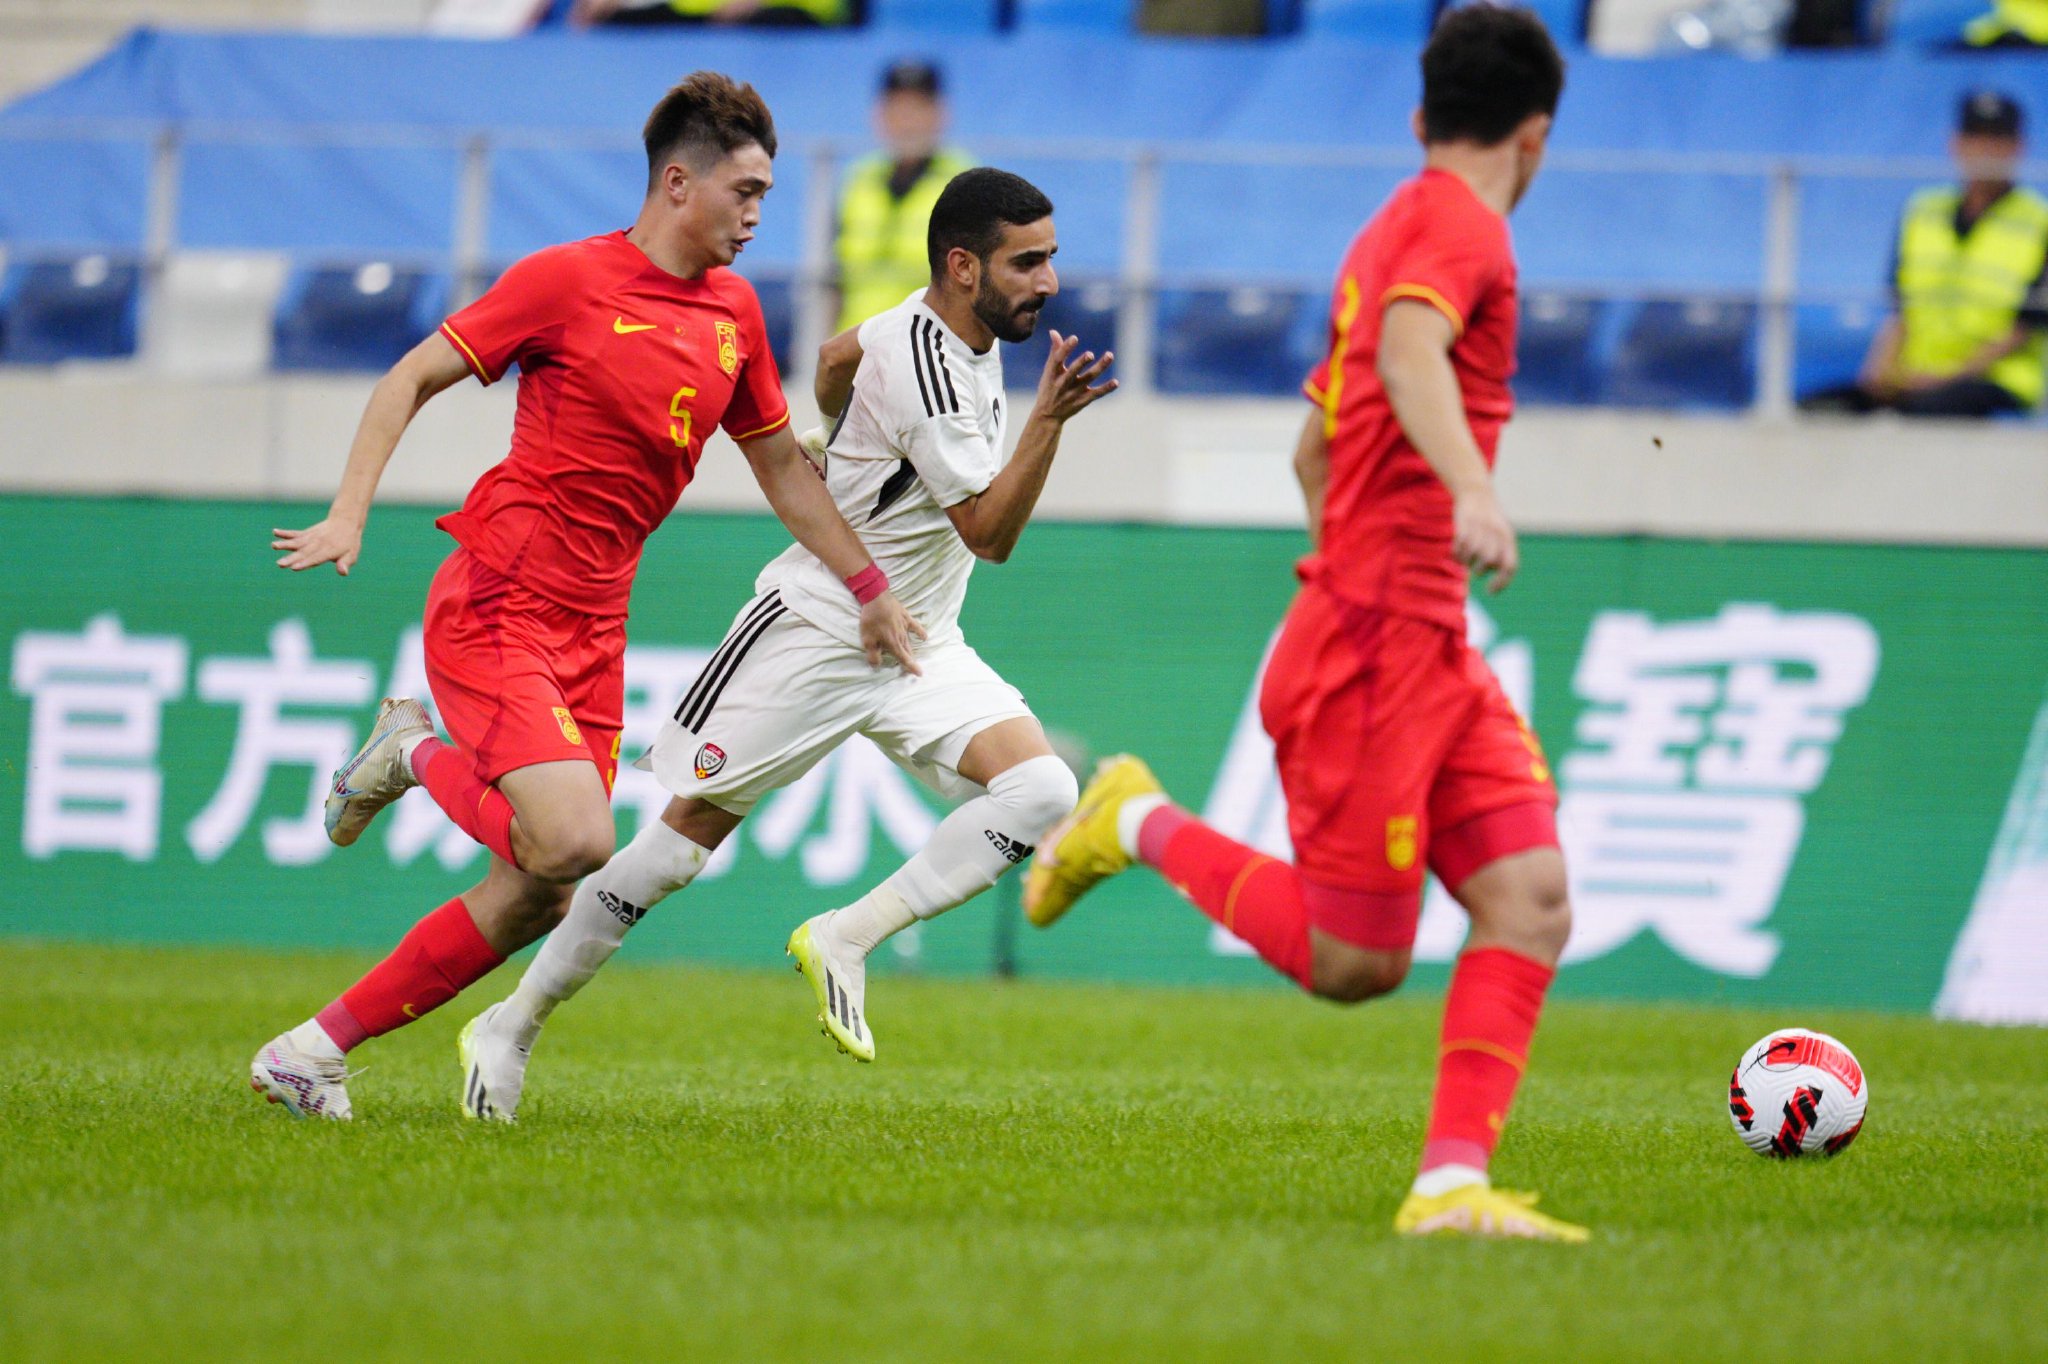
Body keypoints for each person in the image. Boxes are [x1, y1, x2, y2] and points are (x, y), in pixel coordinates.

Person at [249, 71, 920, 1122]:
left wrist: (870, 585)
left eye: (766, 197)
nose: (755, 217)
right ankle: (415, 751)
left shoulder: (736, 312)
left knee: (539, 888)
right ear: (675, 180)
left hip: (595, 624)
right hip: (501, 594)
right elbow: (408, 378)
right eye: (742, 192)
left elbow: (784, 467)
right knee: (574, 842)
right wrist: (348, 511)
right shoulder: (564, 281)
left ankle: (309, 1051)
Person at [1024, 7, 1588, 1242]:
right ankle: (1134, 816)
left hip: (1408, 629)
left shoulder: (1387, 225)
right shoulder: (1460, 227)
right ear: (1535, 135)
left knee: (1531, 897)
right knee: (1353, 961)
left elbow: (1314, 442)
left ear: (1417, 116)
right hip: (1379, 640)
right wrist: (1471, 494)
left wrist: (1358, 559)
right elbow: (1404, 353)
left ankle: (1449, 1186)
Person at [457, 169, 1116, 1120]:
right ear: (964, 266)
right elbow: (989, 534)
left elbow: (840, 357)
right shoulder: (931, 367)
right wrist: (1047, 422)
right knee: (679, 847)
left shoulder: (924, 328)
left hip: (917, 640)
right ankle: (509, 1025)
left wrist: (834, 430)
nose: (1050, 280)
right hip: (816, 630)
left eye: (1051, 256)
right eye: (1030, 261)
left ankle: (846, 935)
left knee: (1043, 785)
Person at [1802, 91, 2048, 418]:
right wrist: (1877, 375)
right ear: (1955, 143)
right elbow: (1901, 311)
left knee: (1930, 412)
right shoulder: (1922, 211)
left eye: (1997, 139)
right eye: (1976, 137)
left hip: (1993, 382)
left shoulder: (2039, 222)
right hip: (1916, 378)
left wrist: (1946, 377)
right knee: (1820, 411)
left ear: (2018, 147)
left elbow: (2025, 328)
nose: (1985, 149)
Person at [834, 60, 974, 334]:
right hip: (855, 351)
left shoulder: (966, 183)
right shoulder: (857, 180)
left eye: (918, 109)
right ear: (879, 115)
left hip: (931, 353)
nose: (907, 121)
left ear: (941, 114)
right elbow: (832, 280)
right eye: (897, 108)